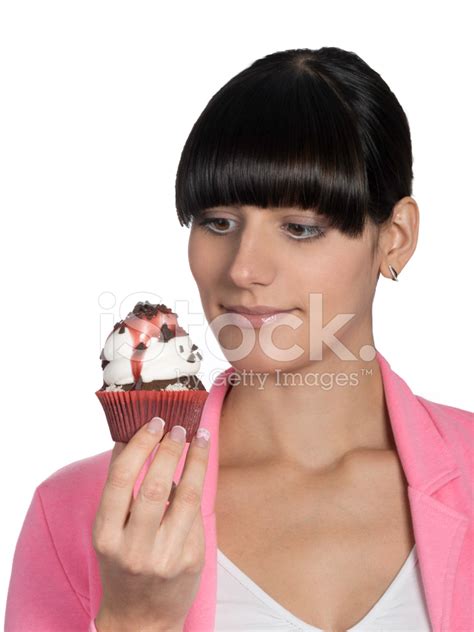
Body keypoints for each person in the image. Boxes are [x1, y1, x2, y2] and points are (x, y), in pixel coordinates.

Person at [5, 46, 473, 632]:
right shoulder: (78, 511)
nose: (244, 269)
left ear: (396, 237)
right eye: (217, 223)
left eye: (300, 228)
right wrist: (136, 619)